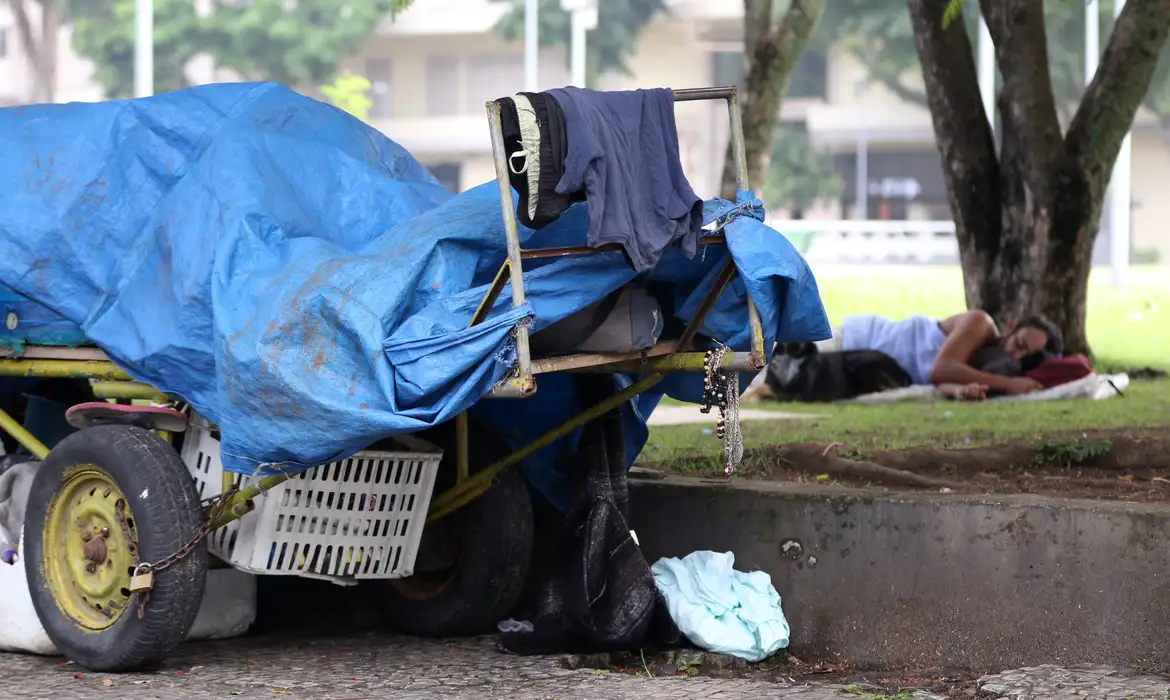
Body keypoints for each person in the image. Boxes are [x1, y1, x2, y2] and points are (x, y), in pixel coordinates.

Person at [743, 311, 1063, 403]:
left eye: (1025, 355)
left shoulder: (988, 367)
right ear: (1010, 327)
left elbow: (943, 382)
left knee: (774, 383)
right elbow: (941, 369)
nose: (1014, 353)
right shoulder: (981, 324)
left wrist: (966, 391)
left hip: (869, 368)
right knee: (762, 370)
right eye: (1018, 342)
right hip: (861, 342)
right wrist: (1010, 385)